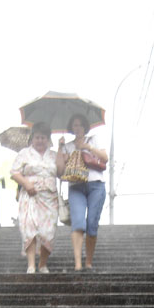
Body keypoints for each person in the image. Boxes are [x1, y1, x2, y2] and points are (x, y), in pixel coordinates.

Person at [56, 114, 108, 271]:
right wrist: (60, 148)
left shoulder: (94, 139)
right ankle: (78, 264)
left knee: (92, 224)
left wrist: (88, 148)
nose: (77, 128)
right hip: (76, 186)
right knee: (78, 223)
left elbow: (105, 158)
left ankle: (88, 262)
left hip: (96, 185)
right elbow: (59, 171)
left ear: (85, 126)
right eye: (74, 125)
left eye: (79, 124)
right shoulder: (68, 146)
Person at [10, 122, 62, 273]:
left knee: (48, 231)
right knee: (30, 228)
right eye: (38, 137)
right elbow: (14, 172)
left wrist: (61, 149)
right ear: (32, 138)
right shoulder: (24, 153)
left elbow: (61, 172)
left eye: (43, 138)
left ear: (48, 139)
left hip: (49, 197)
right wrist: (26, 183)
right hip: (30, 196)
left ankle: (43, 264)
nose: (40, 141)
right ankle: (31, 264)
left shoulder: (53, 154)